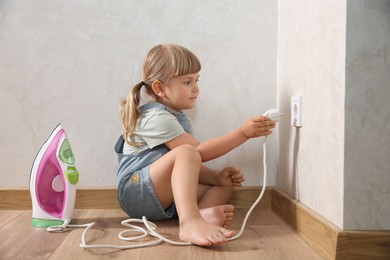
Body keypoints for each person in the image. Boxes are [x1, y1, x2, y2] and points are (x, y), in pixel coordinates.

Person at [115, 43, 276, 246]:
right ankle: (190, 222)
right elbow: (196, 153)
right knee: (187, 152)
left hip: (159, 196)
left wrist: (216, 178)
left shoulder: (176, 118)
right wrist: (242, 133)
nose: (196, 88)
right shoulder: (155, 117)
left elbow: (187, 166)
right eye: (187, 82)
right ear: (160, 88)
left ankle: (199, 217)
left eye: (196, 80)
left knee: (223, 184)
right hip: (136, 193)